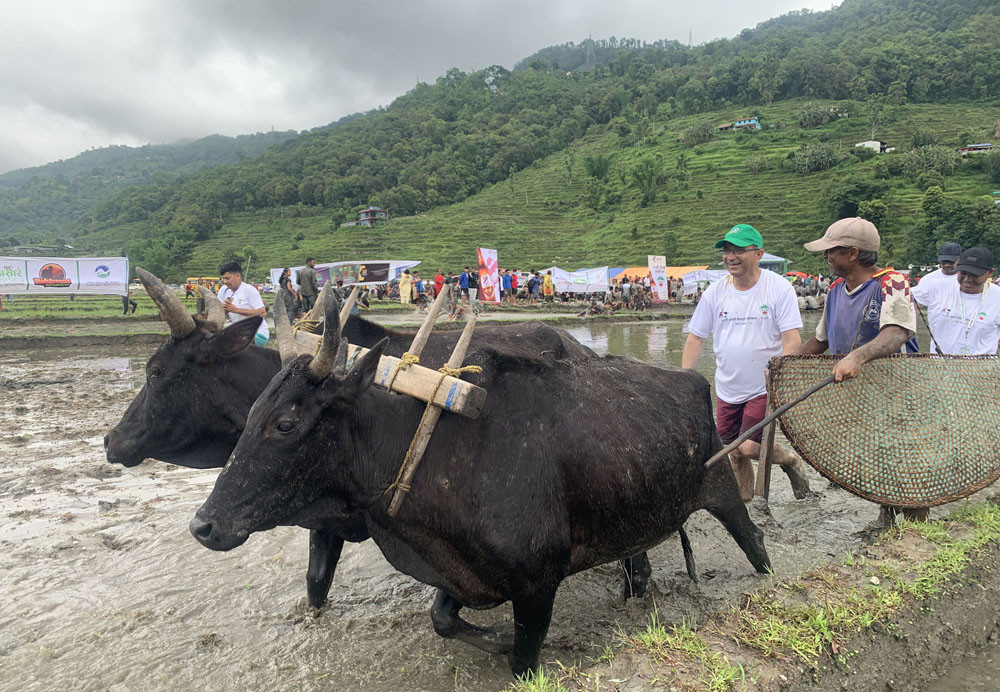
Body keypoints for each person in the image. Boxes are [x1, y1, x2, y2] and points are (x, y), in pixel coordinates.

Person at [798, 217, 920, 524]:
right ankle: (888, 517)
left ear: (853, 254)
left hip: (897, 390)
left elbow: (897, 333)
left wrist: (858, 357)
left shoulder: (892, 283)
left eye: (832, 251)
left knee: (902, 454)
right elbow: (820, 340)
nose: (826, 256)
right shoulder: (837, 289)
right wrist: (785, 363)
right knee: (875, 455)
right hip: (858, 392)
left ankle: (917, 522)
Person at [682, 223, 813, 502]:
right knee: (732, 450)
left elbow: (792, 339)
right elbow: (695, 338)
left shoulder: (778, 289)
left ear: (758, 254)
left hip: (762, 386)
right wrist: (683, 378)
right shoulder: (716, 292)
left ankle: (790, 460)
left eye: (739, 250)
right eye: (727, 250)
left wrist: (778, 368)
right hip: (727, 386)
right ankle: (746, 501)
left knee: (749, 447)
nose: (730, 256)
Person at [912, 247, 1000, 355]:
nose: (967, 279)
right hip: (938, 367)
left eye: (974, 275)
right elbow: (904, 296)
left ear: (990, 273)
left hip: (982, 368)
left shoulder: (997, 297)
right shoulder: (935, 287)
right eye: (963, 273)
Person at [911, 242, 961, 353]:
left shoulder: (967, 280)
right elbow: (911, 299)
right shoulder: (929, 280)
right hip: (938, 347)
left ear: (959, 259)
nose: (947, 265)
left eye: (951, 262)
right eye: (944, 261)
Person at [217, 260, 269, 345]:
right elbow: (220, 310)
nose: (225, 281)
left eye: (227, 278)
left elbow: (262, 313)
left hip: (256, 333)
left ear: (238, 276)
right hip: (239, 333)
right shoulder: (223, 290)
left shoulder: (249, 290)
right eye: (223, 278)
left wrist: (235, 310)